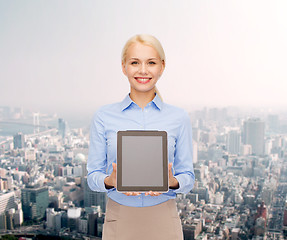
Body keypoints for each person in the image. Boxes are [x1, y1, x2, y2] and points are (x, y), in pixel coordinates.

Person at [87, 34, 194, 240]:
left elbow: (188, 176)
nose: (143, 70)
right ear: (124, 67)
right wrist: (110, 180)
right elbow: (93, 177)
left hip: (164, 218)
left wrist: (172, 182)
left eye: (151, 63)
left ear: (162, 67)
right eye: (135, 62)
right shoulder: (103, 116)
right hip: (119, 218)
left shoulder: (179, 117)